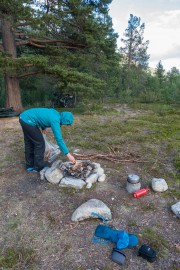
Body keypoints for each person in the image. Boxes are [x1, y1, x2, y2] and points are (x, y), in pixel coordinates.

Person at [19, 108, 76, 172]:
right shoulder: (55, 120)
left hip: (23, 117)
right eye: (66, 124)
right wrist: (68, 154)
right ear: (64, 120)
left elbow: (44, 116)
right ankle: (38, 167)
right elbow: (59, 139)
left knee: (29, 143)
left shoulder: (56, 113)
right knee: (40, 144)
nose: (65, 125)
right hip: (28, 121)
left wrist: (43, 127)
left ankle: (29, 166)